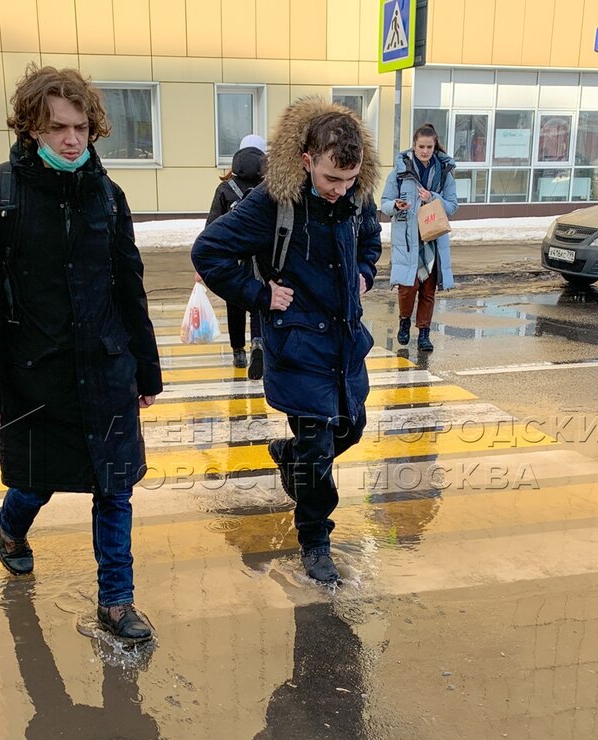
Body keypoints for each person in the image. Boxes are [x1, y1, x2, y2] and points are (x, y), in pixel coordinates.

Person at [0, 64, 162, 643]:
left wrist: (146, 371)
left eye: (81, 128)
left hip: (106, 369)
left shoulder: (108, 196)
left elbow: (129, 289)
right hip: (36, 374)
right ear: (31, 128)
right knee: (37, 481)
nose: (72, 140)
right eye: (57, 128)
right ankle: (9, 525)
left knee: (114, 486)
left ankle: (116, 601)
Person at [192, 98, 381, 586]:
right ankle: (315, 541)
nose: (340, 190)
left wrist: (365, 273)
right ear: (306, 160)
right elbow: (208, 251)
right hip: (297, 345)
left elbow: (370, 240)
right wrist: (260, 295)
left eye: (349, 179)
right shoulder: (273, 202)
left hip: (345, 342)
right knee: (318, 451)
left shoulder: (357, 194)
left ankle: (289, 455)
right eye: (331, 179)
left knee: (351, 430)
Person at [380, 123, 458, 353]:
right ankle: (404, 320)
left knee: (428, 290)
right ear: (413, 146)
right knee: (407, 287)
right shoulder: (400, 171)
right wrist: (396, 205)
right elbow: (384, 203)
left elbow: (453, 206)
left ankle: (424, 333)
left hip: (433, 237)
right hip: (408, 239)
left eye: (429, 147)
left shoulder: (444, 172)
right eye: (421, 147)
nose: (425, 151)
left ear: (435, 147)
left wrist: (432, 197)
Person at [200, 134, 268, 379]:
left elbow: (212, 226)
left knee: (235, 301)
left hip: (232, 257)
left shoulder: (225, 188)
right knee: (259, 299)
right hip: (262, 257)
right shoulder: (269, 186)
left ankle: (238, 350)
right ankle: (258, 342)